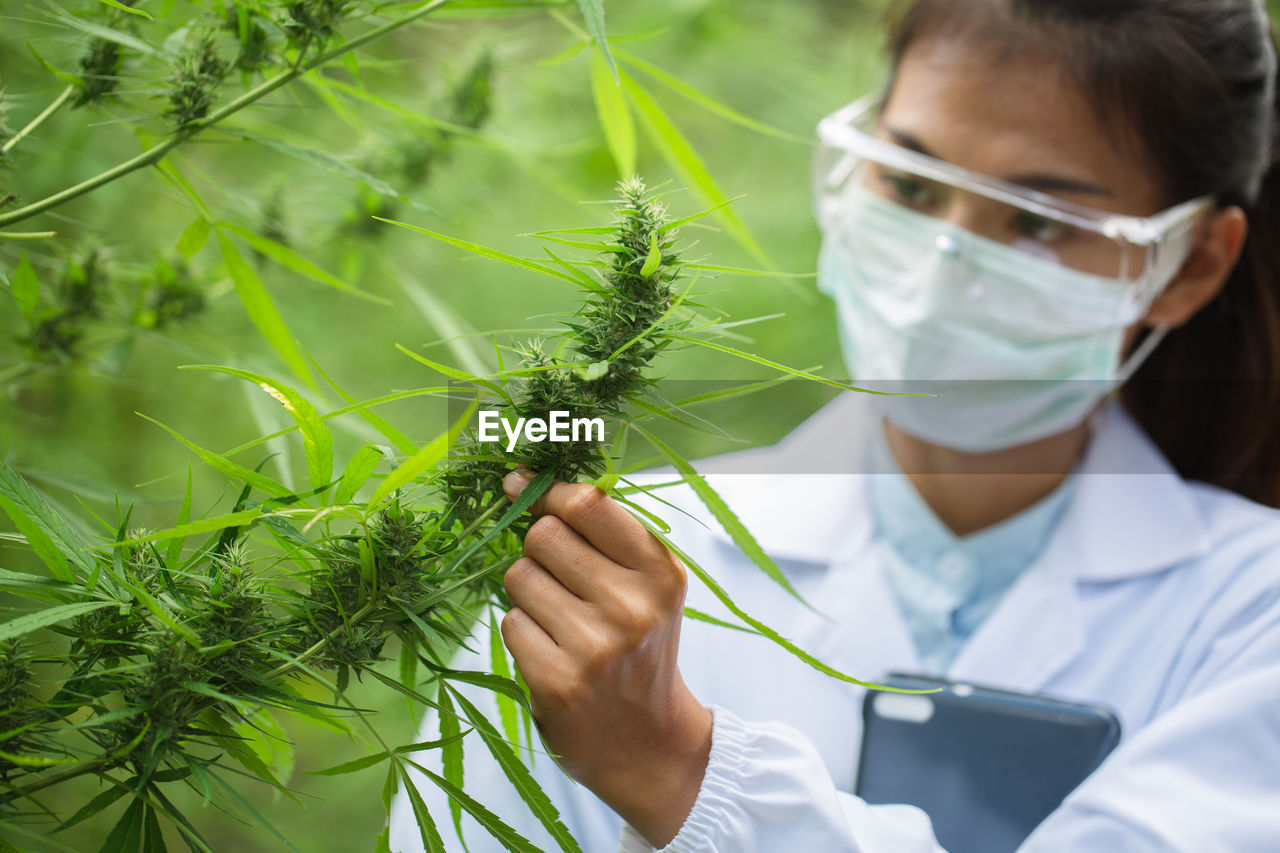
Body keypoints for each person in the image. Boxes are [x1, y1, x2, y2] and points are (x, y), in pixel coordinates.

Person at [389, 0, 1280, 850]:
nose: (942, 273)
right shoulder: (607, 571)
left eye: (1041, 222)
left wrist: (676, 770)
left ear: (1190, 263)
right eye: (911, 183)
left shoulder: (1253, 616)